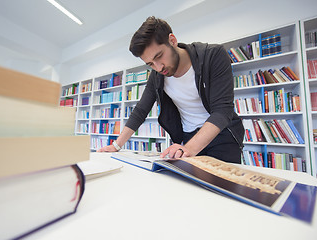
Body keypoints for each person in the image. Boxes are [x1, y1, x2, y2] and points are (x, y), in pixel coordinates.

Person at [98, 16, 244, 163]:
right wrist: (116, 145)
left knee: (222, 184)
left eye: (159, 56)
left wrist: (187, 149)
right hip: (188, 136)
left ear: (172, 41)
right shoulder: (157, 76)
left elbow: (222, 110)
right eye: (151, 64)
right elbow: (140, 110)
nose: (158, 67)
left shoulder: (213, 55)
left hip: (222, 134)